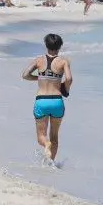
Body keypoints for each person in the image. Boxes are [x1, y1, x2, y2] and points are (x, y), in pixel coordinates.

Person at [22, 32, 73, 162]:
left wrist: (39, 78)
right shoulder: (63, 61)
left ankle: (46, 144)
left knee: (42, 136)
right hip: (57, 101)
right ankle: (50, 162)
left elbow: (25, 75)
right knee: (54, 136)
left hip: (42, 100)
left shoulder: (39, 60)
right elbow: (68, 78)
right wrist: (65, 89)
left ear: (46, 45)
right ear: (60, 46)